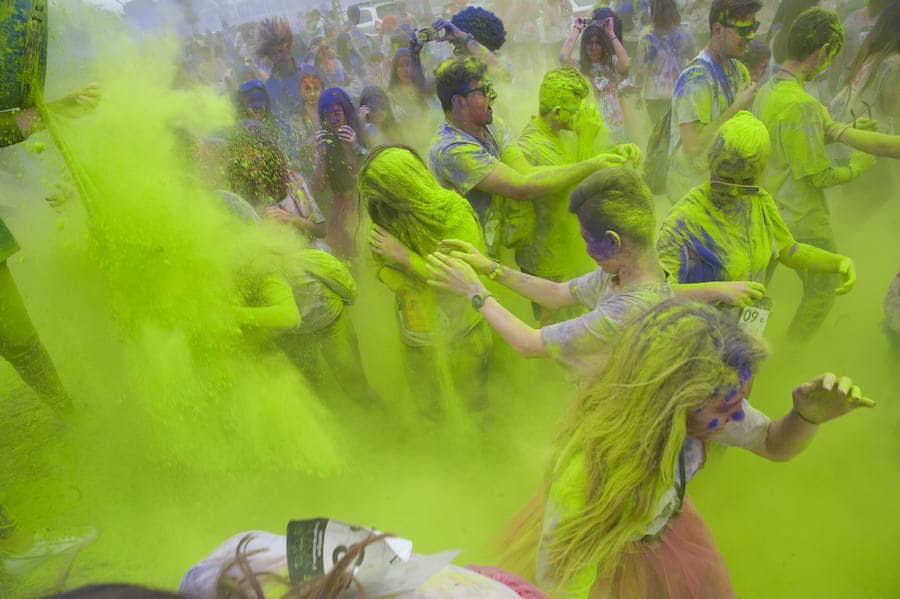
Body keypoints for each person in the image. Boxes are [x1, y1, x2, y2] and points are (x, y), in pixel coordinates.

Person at [529, 299, 874, 598]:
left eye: (741, 401)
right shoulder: (588, 475)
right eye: (726, 408)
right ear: (670, 403)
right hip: (607, 560)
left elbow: (772, 442)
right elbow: (562, 585)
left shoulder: (705, 410)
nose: (739, 415)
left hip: (665, 532)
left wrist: (806, 417)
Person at [428, 167, 763, 380]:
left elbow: (529, 344)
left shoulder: (628, 307)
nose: (586, 249)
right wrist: (491, 268)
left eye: (588, 240)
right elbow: (559, 294)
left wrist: (474, 291)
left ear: (614, 241)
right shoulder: (624, 272)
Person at [658, 111, 856, 340]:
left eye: (747, 182)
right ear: (711, 163)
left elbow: (789, 251)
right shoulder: (683, 222)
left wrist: (838, 262)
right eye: (726, 179)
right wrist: (719, 291)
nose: (734, 191)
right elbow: (653, 297)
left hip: (743, 337)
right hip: (696, 342)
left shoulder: (758, 201)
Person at [752, 8, 873, 341]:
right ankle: (791, 355)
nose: (829, 63)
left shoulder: (768, 90)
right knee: (824, 288)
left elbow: (790, 141)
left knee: (754, 291)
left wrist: (843, 131)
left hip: (766, 214)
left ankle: (743, 352)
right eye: (830, 55)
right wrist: (856, 167)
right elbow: (816, 175)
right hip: (802, 220)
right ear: (821, 52)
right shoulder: (801, 104)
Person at [426, 56, 627, 239]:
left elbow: (526, 172)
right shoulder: (452, 150)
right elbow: (521, 187)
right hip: (468, 244)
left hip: (493, 240)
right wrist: (592, 165)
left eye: (490, 88)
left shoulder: (491, 124)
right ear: (458, 102)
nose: (492, 97)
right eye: (482, 92)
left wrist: (602, 158)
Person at [358, 146, 492, 417]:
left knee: (473, 405)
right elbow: (375, 264)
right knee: (429, 409)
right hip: (416, 336)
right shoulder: (384, 217)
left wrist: (404, 257)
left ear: (402, 188)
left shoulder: (453, 212)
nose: (375, 207)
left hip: (463, 332)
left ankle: (478, 454)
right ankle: (437, 452)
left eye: (381, 197)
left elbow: (460, 276)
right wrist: (400, 281)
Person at [513, 67, 635, 324]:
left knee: (577, 318)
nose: (582, 114)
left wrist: (617, 151)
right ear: (557, 113)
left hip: (569, 248)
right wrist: (587, 138)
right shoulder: (533, 147)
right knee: (554, 324)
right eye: (576, 108)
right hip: (547, 258)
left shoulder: (561, 134)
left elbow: (581, 165)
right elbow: (581, 193)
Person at [667, 0, 762, 203]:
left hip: (723, 190)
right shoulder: (695, 79)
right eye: (744, 29)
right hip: (691, 196)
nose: (750, 37)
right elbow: (692, 145)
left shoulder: (739, 71)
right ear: (718, 30)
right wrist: (736, 108)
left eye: (754, 27)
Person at [828, 1, 899, 222]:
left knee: (861, 195)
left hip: (847, 132)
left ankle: (842, 236)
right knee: (874, 192)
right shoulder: (895, 62)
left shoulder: (870, 54)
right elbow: (893, 105)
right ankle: (843, 240)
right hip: (868, 138)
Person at [312, 88, 369, 258]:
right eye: (327, 115)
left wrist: (355, 147)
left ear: (346, 112)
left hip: (364, 205)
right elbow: (316, 187)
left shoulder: (362, 133)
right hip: (339, 210)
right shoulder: (322, 142)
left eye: (337, 113)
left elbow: (370, 172)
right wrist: (321, 156)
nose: (333, 120)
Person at [560, 17, 632, 143]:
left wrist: (611, 33)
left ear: (604, 45)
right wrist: (577, 28)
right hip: (594, 131)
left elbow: (625, 64)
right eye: (589, 43)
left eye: (598, 43)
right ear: (584, 46)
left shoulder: (612, 64)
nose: (593, 48)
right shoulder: (580, 68)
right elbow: (563, 58)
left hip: (616, 128)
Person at [635, 0, 697, 125]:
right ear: (674, 11)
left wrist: (637, 93)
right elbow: (695, 60)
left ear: (653, 14)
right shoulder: (686, 35)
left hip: (654, 97)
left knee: (659, 132)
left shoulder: (647, 40)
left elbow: (641, 70)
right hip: (680, 92)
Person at [255, 17, 301, 119]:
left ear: (289, 46)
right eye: (273, 54)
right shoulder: (270, 87)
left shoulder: (309, 72)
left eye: (280, 51)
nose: (278, 57)